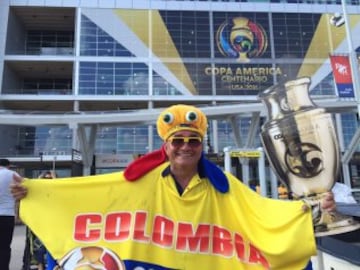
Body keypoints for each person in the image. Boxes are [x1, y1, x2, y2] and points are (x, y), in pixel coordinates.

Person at [11, 104, 337, 270]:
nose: (185, 146)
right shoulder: (137, 182)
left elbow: (263, 214)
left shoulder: (226, 187)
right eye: (177, 140)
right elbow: (93, 198)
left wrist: (311, 211)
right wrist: (39, 194)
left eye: (192, 140)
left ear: (202, 145)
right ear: (166, 147)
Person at [0, 158, 22, 270]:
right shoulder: (12, 174)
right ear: (8, 166)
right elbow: (25, 187)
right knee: (4, 246)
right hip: (7, 215)